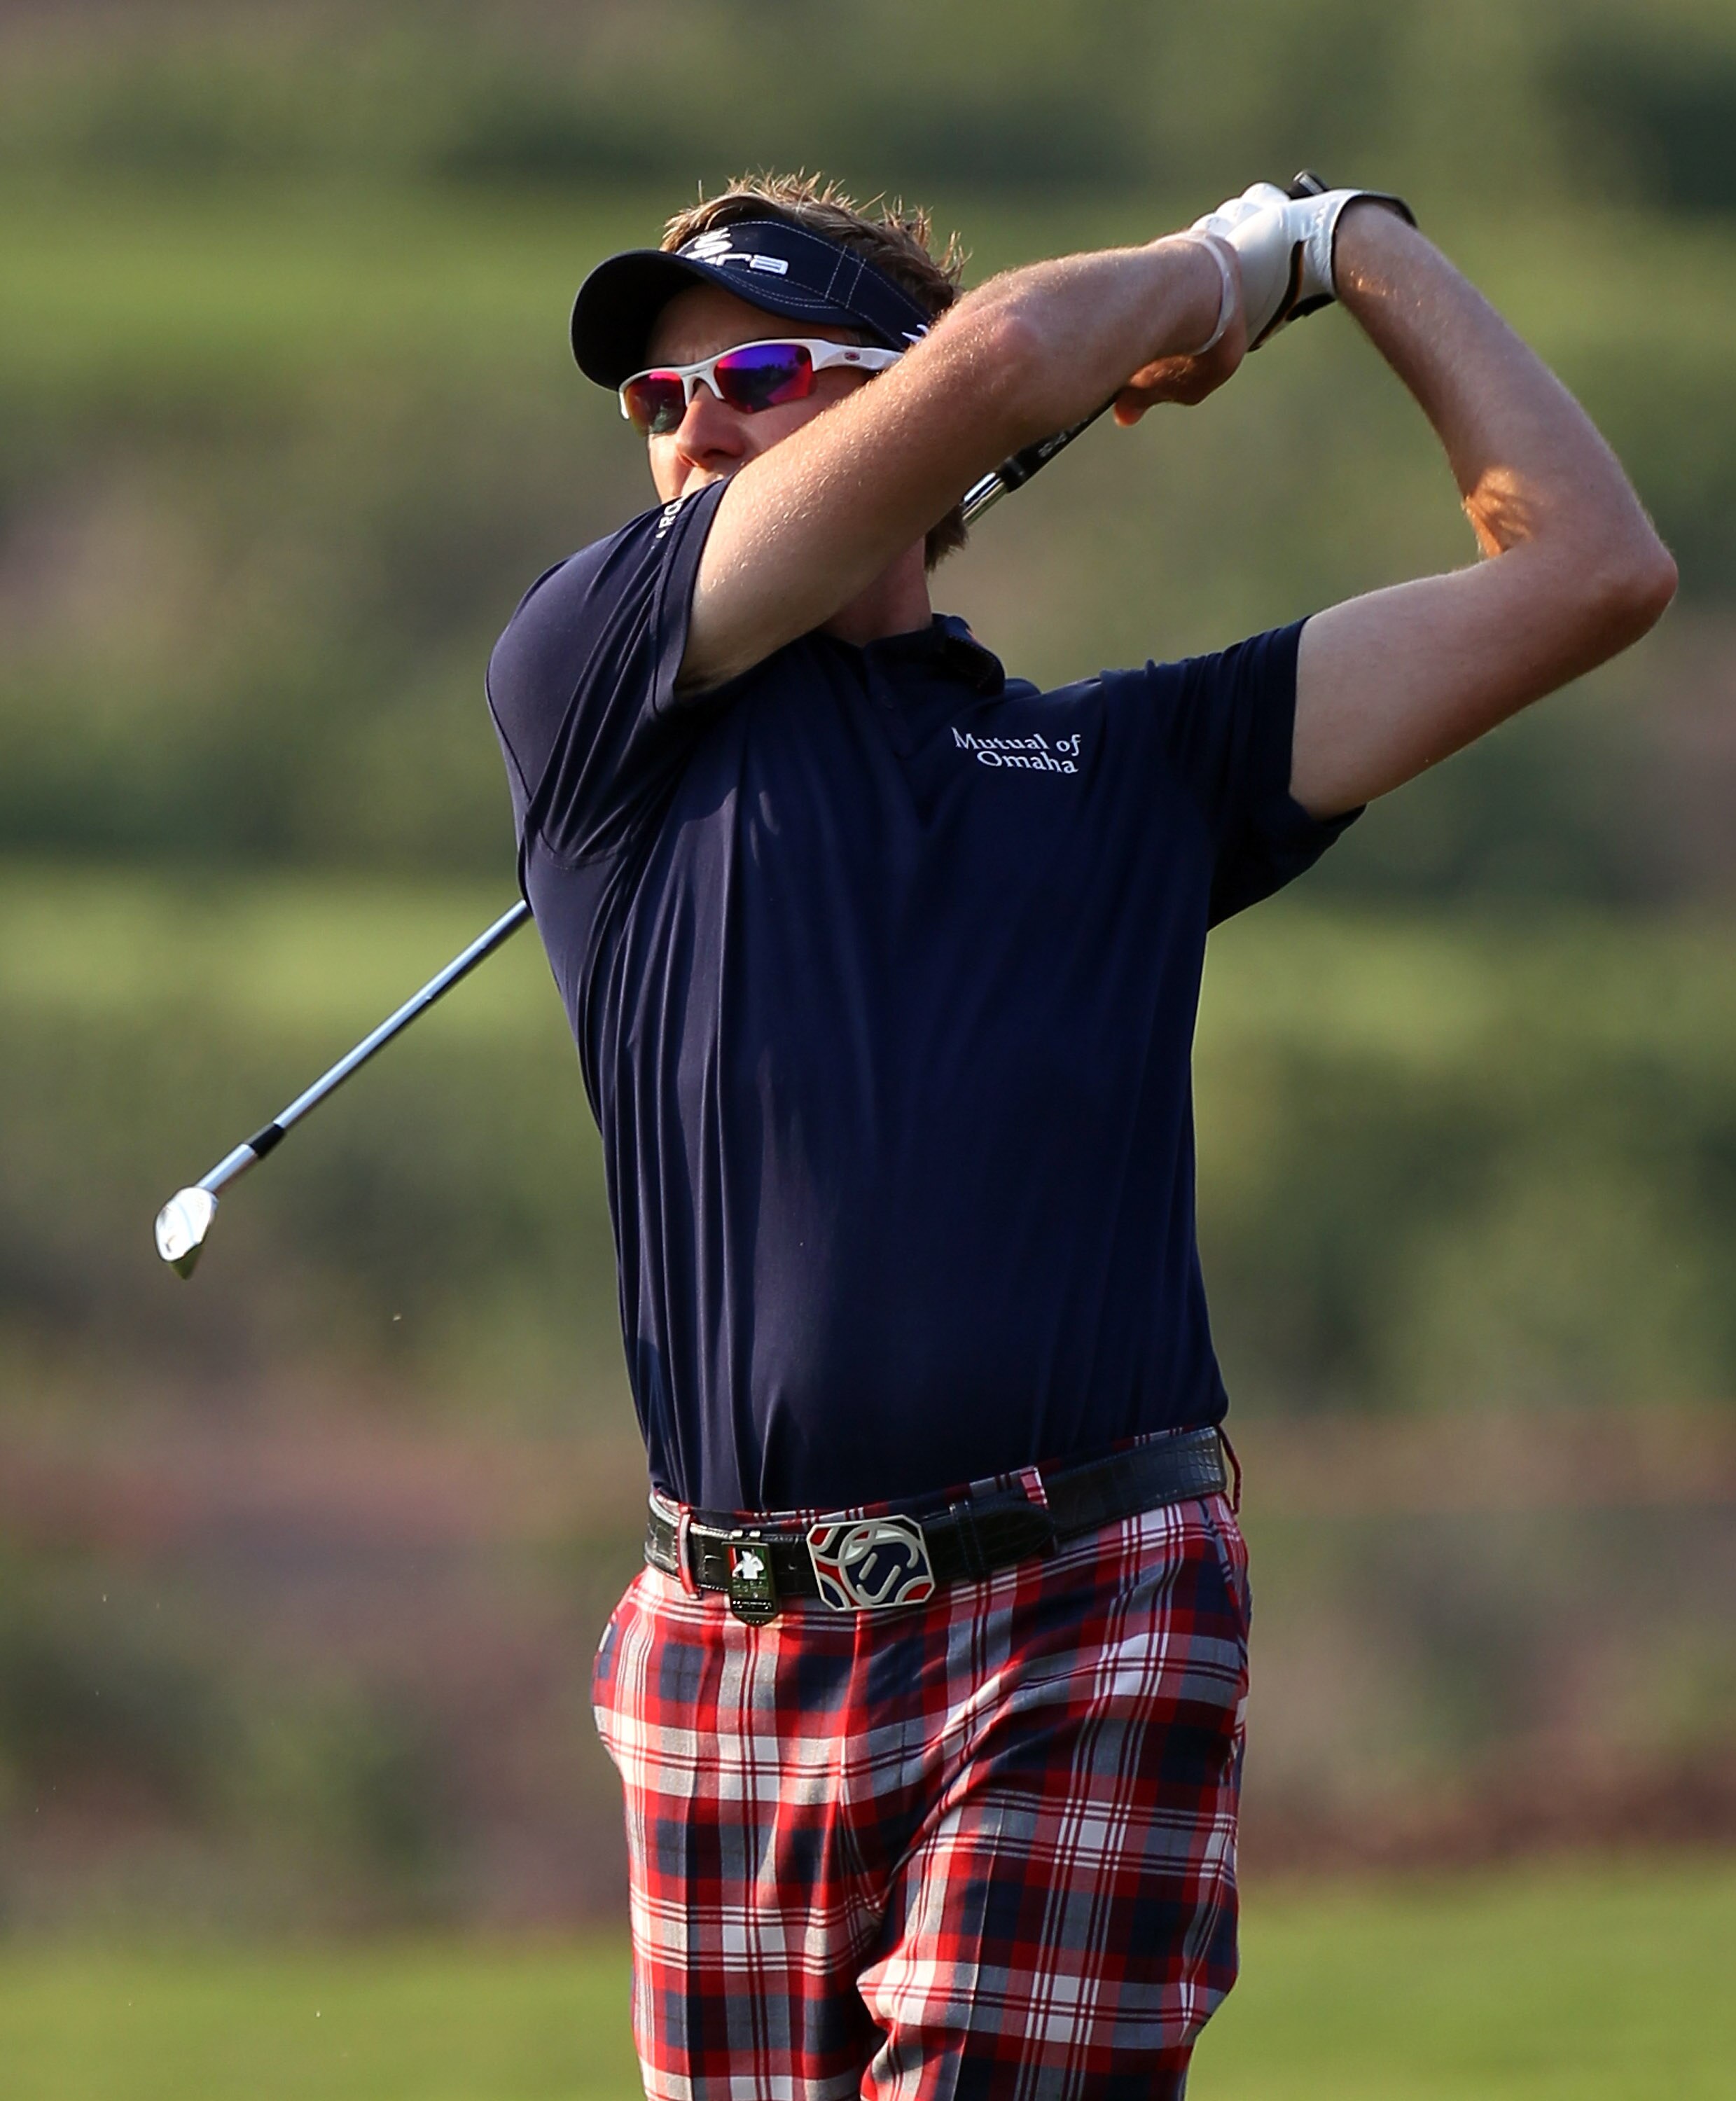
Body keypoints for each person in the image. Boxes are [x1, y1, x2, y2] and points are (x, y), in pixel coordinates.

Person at [485, 171, 1674, 2100]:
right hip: (724, 1652)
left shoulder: (1131, 773)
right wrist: (1235, 265)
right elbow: (1028, 350)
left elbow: (1590, 575)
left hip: (1082, 1615)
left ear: (914, 424)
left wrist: (1354, 248)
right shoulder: (593, 692)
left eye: (759, 375)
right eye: (654, 400)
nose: (689, 424)